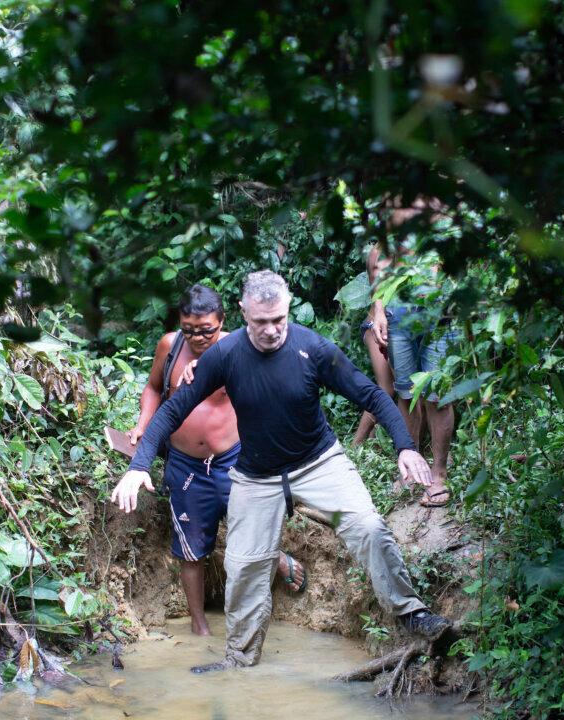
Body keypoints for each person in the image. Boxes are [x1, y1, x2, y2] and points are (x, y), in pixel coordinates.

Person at [111, 271, 451, 673]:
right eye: (261, 322)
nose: (271, 330)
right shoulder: (225, 355)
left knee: (368, 527)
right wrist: (138, 466)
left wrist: (406, 447)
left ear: (287, 310)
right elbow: (172, 409)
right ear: (243, 313)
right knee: (244, 567)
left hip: (319, 463)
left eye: (279, 320)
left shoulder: (313, 347)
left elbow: (371, 394)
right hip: (256, 477)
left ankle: (411, 613)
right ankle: (238, 662)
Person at [127, 284, 306, 637]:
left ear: (222, 321)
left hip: (234, 458)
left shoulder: (240, 347)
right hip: (185, 463)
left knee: (252, 526)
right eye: (189, 330)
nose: (197, 338)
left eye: (206, 330)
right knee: (190, 549)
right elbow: (153, 387)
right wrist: (142, 424)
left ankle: (277, 558)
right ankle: (199, 627)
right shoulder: (169, 346)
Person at [368, 196, 456, 507]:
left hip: (438, 317)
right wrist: (379, 313)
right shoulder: (390, 208)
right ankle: (411, 465)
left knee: (437, 396)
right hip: (399, 317)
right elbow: (378, 273)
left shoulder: (438, 208)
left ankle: (439, 473)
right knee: (406, 393)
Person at [352, 247, 406, 446]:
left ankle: (375, 441)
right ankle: (357, 444)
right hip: (376, 325)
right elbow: (378, 296)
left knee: (402, 389)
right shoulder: (379, 252)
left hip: (399, 329)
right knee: (387, 389)